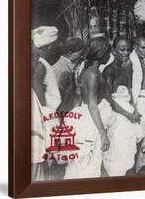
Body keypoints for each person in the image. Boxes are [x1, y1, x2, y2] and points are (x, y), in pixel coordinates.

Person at [64, 37, 115, 179]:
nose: (109, 56)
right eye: (108, 53)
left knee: (85, 164)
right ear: (101, 53)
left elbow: (78, 97)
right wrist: (103, 133)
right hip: (91, 123)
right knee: (88, 165)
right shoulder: (92, 74)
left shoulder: (88, 71)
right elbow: (92, 105)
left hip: (87, 120)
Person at [102, 36, 143, 177]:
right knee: (117, 149)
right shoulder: (109, 71)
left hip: (128, 112)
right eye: (122, 50)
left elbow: (130, 90)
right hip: (116, 115)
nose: (125, 53)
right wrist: (128, 115)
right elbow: (109, 100)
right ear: (114, 51)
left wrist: (135, 110)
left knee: (129, 148)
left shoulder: (128, 67)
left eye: (128, 50)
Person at [31, 26, 60, 181]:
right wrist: (47, 116)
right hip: (38, 110)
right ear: (48, 47)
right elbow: (38, 91)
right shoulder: (38, 65)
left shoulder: (38, 61)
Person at [129, 36, 145, 172]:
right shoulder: (131, 61)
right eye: (142, 47)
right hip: (138, 101)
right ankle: (132, 168)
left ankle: (141, 167)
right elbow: (130, 87)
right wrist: (133, 106)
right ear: (135, 47)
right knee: (136, 136)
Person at [53, 37, 85, 112]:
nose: (81, 56)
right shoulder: (61, 69)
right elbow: (56, 95)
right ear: (70, 52)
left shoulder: (67, 66)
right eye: (80, 53)